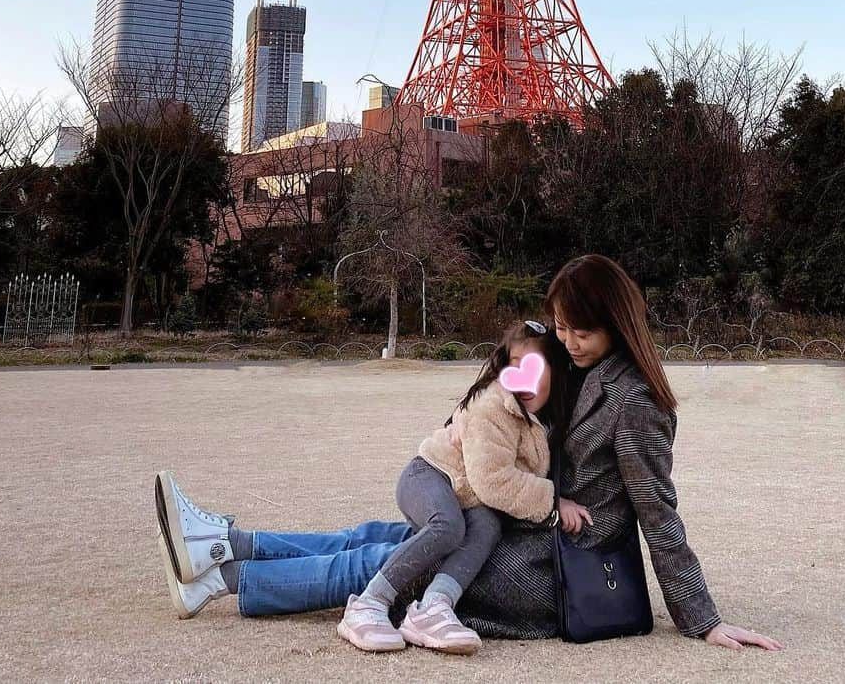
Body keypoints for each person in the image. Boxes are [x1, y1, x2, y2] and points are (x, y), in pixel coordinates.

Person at [155, 255, 784, 653]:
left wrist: (700, 617)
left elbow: (658, 513)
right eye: (560, 327)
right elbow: (501, 403)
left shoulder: (637, 402)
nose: (567, 341)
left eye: (580, 330)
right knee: (382, 533)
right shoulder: (572, 365)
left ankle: (223, 579)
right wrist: (460, 434)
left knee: (392, 559)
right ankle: (229, 541)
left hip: (549, 563)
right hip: (516, 519)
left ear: (619, 323)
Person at [336, 318, 587, 654]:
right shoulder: (496, 405)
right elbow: (494, 481)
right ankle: (368, 603)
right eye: (514, 367)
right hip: (429, 474)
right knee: (448, 527)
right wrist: (554, 503)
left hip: (469, 496)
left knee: (486, 528)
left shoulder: (545, 417)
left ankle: (434, 607)